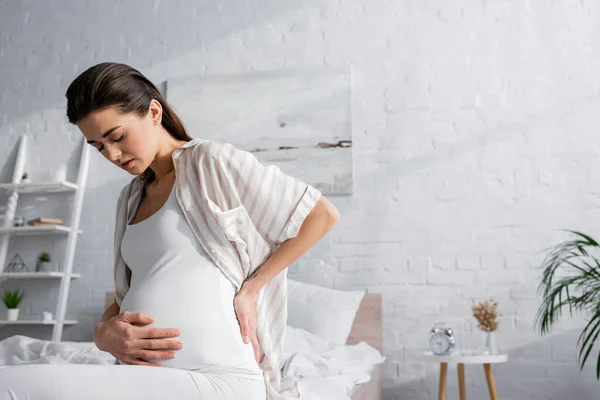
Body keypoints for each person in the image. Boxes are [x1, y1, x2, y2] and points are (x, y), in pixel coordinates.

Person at [0, 63, 339, 400]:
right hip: (144, 378)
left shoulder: (209, 161)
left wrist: (251, 288)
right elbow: (130, 292)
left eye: (117, 137)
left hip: (217, 378)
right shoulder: (130, 197)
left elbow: (322, 215)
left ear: (153, 112)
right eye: (98, 146)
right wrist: (102, 334)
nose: (112, 155)